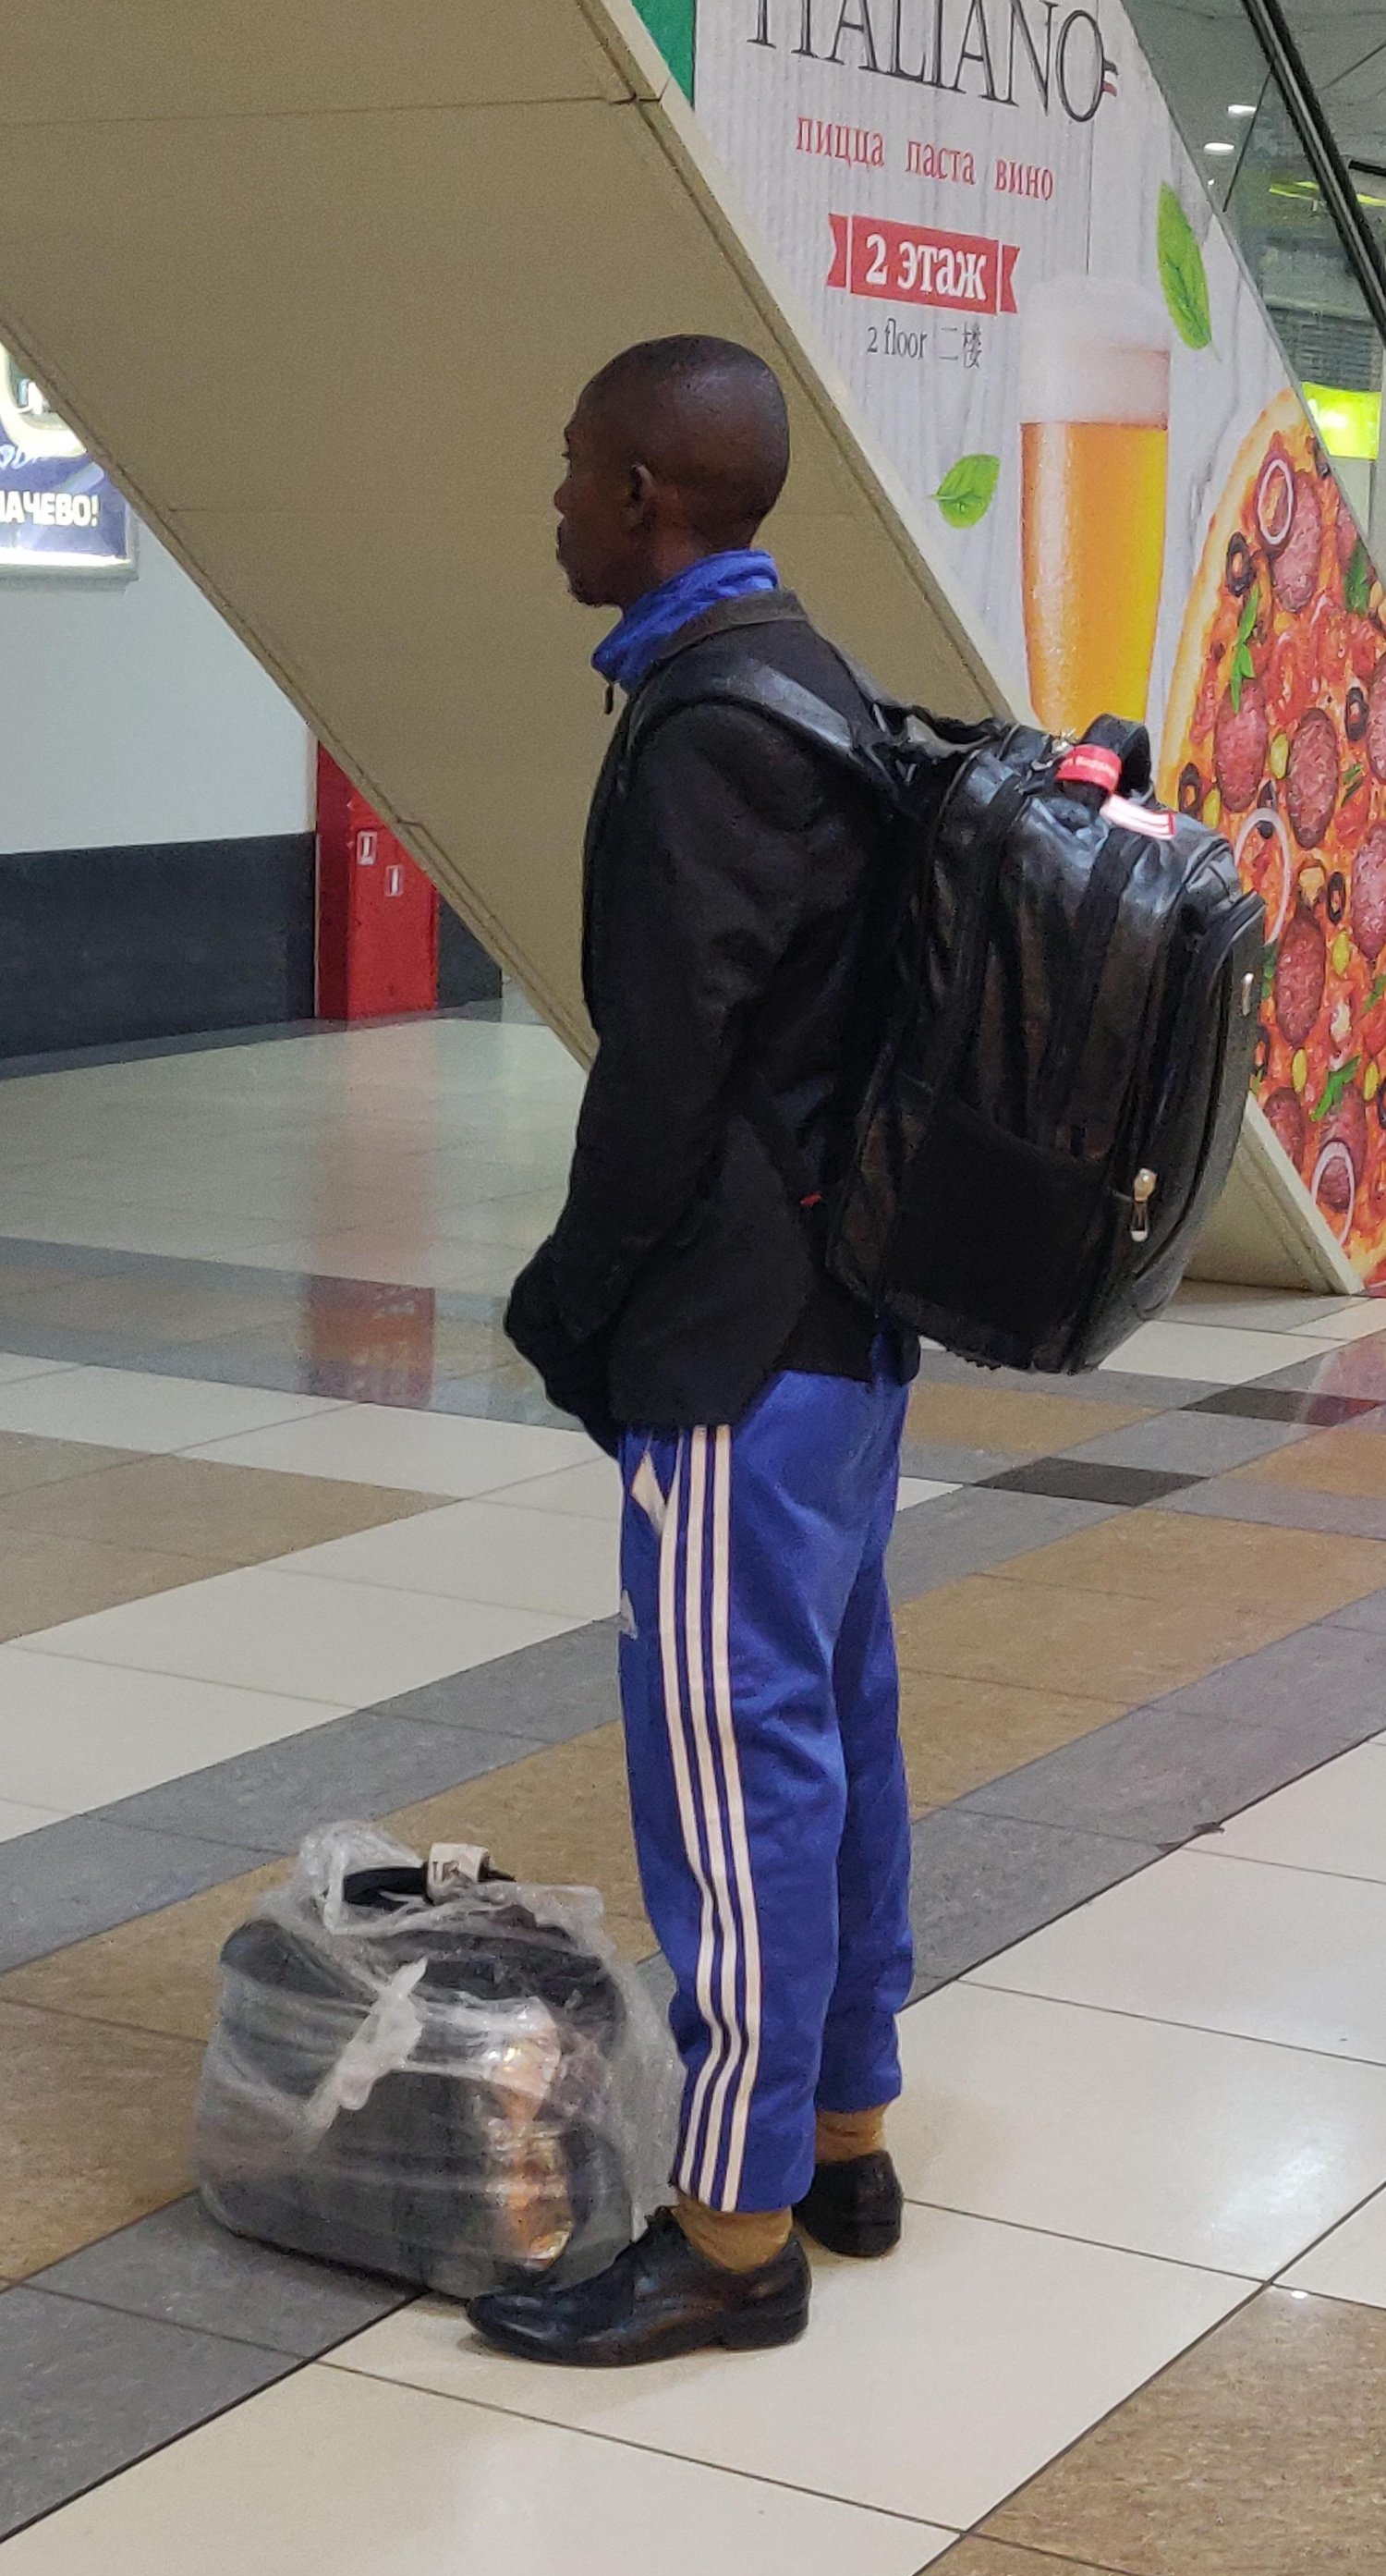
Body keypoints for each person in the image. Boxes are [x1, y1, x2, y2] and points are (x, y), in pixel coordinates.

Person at [468, 334, 917, 2369]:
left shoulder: (711, 724)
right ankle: (843, 2136)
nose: (558, 499)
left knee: (734, 1773)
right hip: (842, 1316)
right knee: (832, 1721)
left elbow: (666, 1079)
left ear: (649, 491)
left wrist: (575, 1301)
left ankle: (732, 2236)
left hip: (740, 1338)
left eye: (576, 465)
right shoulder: (809, 678)